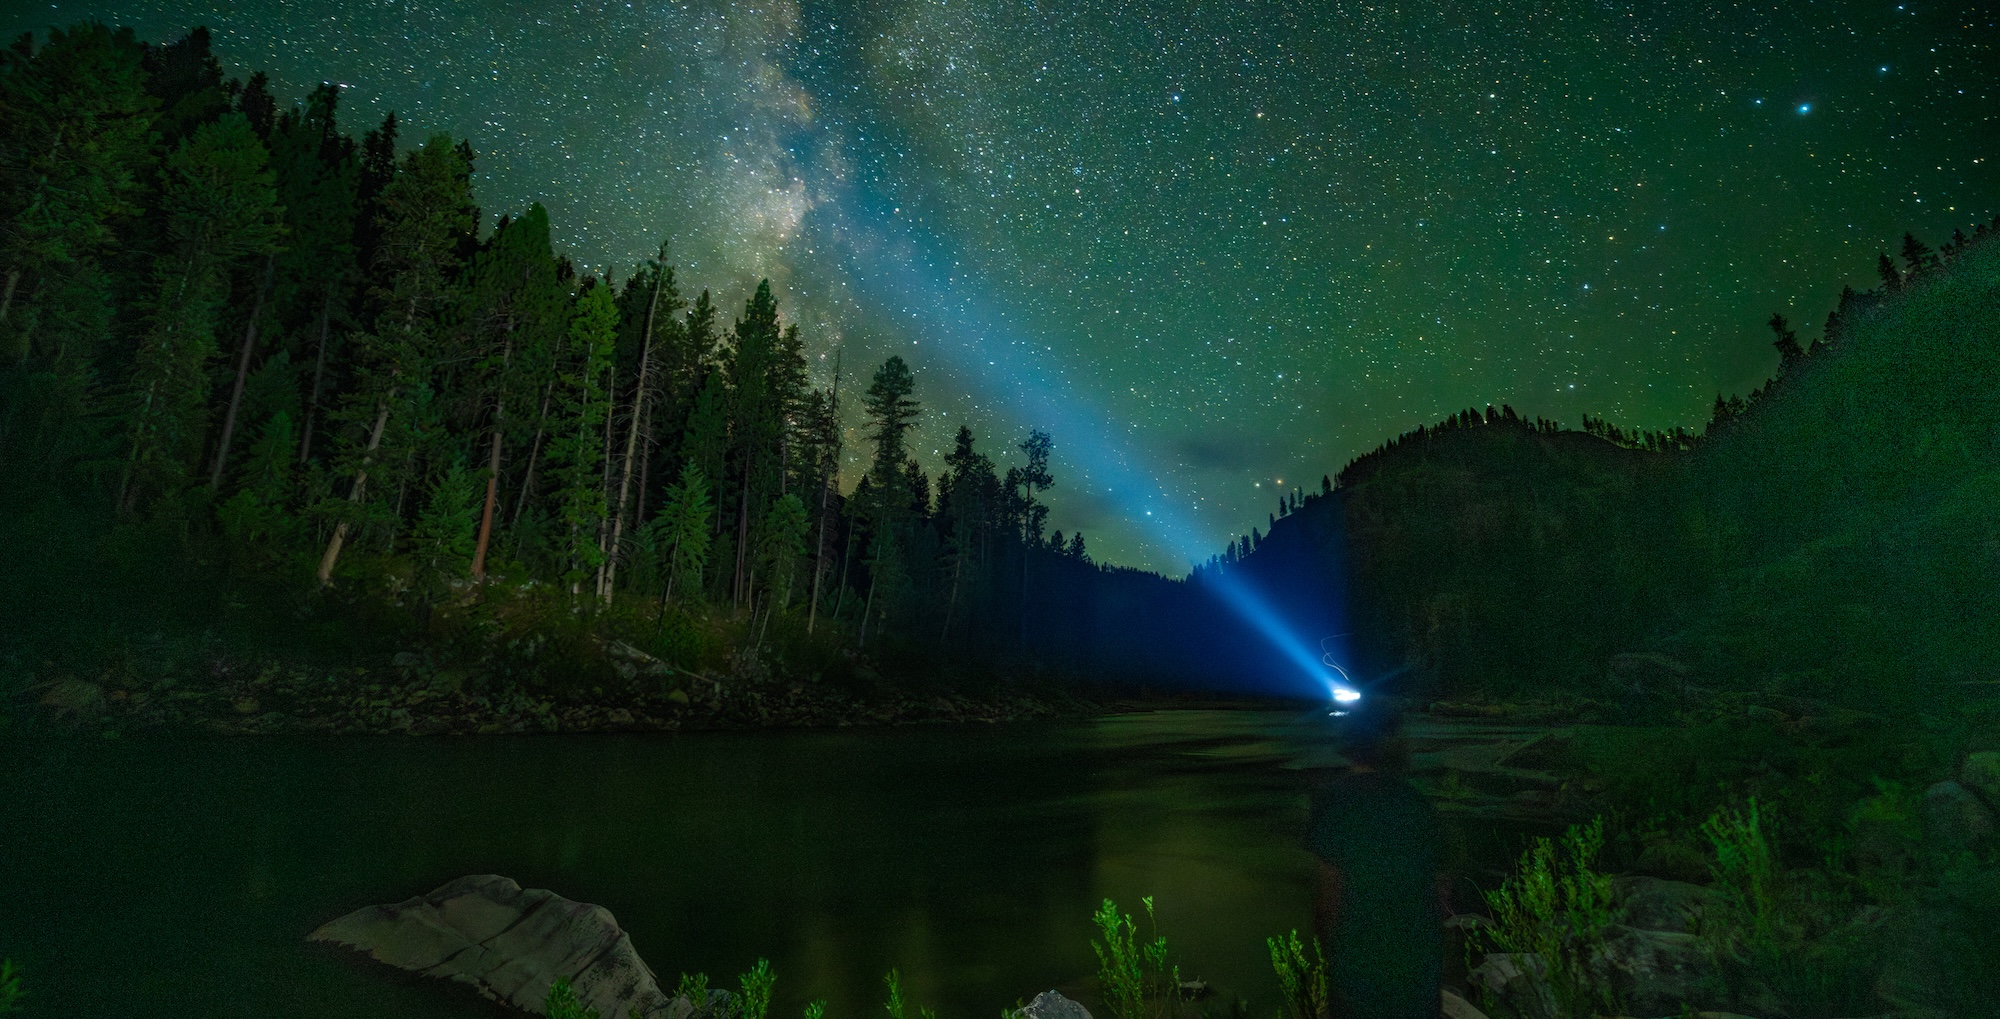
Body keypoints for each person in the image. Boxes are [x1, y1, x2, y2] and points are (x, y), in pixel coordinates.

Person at [1305, 704, 1446, 1019]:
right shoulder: (1418, 803)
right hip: (1416, 968)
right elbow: (1440, 894)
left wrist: (1329, 956)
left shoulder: (1335, 801)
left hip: (1359, 968)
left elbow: (1328, 898)